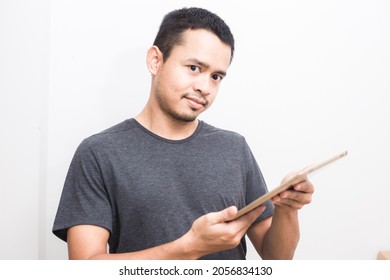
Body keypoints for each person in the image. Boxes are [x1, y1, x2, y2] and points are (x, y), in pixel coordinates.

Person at [52, 7, 314, 260]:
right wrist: (187, 248)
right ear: (156, 60)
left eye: (216, 77)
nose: (205, 87)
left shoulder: (235, 148)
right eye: (194, 68)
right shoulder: (99, 153)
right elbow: (86, 265)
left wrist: (288, 209)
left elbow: (277, 257)